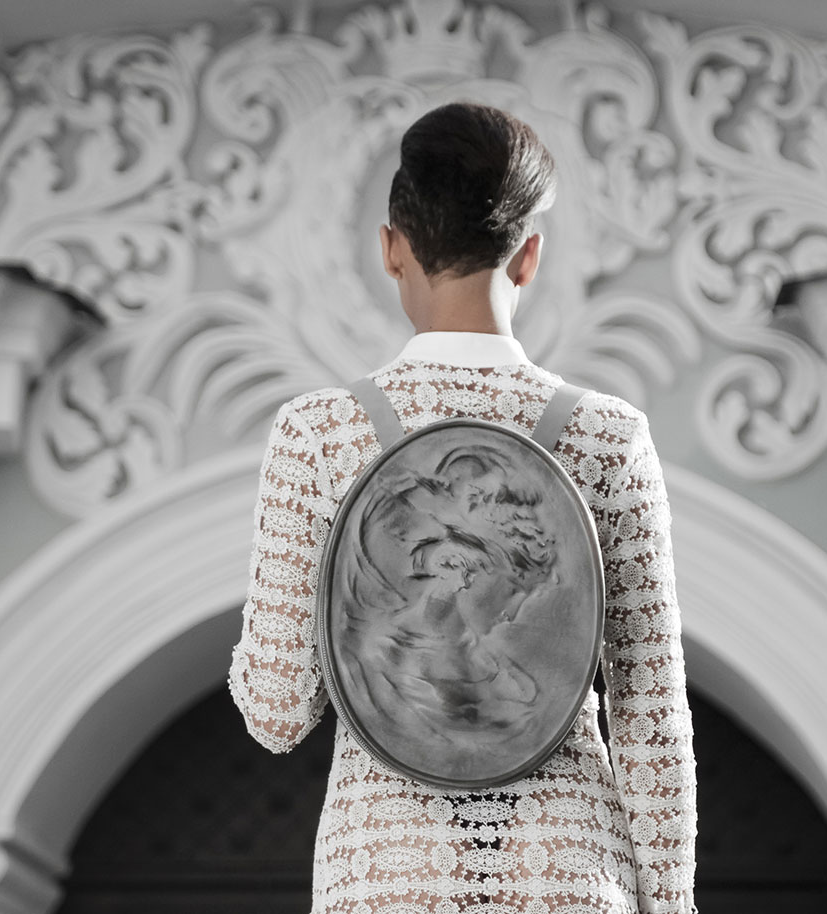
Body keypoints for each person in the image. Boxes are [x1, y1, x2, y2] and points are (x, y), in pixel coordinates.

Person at [229, 100, 699, 914]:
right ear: (529, 255)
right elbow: (651, 718)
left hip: (388, 875)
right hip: (565, 872)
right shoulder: (606, 435)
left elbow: (277, 711)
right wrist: (671, 902)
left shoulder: (320, 432)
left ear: (392, 247)